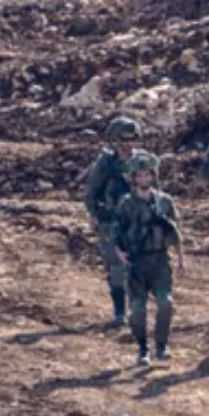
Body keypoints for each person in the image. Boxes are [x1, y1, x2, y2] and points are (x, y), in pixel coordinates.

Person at [112, 152, 185, 366]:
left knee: (166, 303)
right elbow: (117, 232)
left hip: (160, 260)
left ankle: (162, 345)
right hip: (137, 262)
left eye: (148, 175)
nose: (144, 179)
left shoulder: (165, 202)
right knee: (137, 309)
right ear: (133, 178)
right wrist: (119, 253)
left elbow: (176, 232)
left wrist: (181, 259)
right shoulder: (126, 204)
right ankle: (143, 349)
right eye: (140, 176)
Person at [82, 116, 142, 326]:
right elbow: (92, 193)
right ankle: (119, 312)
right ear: (114, 140)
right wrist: (93, 214)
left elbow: (156, 192)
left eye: (132, 138)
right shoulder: (105, 163)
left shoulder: (143, 162)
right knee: (116, 268)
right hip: (112, 222)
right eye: (123, 139)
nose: (128, 143)